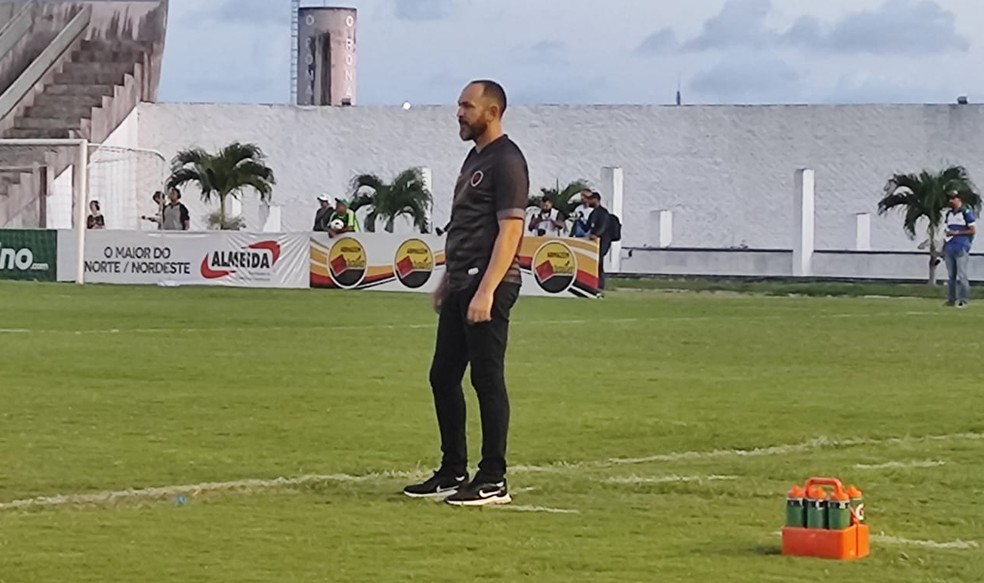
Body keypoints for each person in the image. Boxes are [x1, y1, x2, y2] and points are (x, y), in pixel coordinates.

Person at [402, 79, 528, 507]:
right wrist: (447, 280)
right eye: (459, 105)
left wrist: (486, 290)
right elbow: (467, 228)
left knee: (486, 379)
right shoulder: (475, 159)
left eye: (466, 106)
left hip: (487, 284)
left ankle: (493, 478)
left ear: (491, 112)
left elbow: (511, 232)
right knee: (442, 376)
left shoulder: (507, 161)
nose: (458, 112)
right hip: (462, 281)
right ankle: (453, 470)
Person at [943, 189, 976, 308]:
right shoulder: (949, 214)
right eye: (950, 198)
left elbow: (972, 230)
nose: (951, 201)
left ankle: (963, 300)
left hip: (961, 246)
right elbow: (946, 230)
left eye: (954, 198)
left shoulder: (966, 212)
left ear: (959, 199)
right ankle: (951, 299)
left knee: (962, 275)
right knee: (951, 275)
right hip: (949, 246)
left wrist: (956, 233)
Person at [585, 191, 613, 292]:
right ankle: (593, 283)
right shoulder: (593, 213)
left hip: (603, 241)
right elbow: (588, 226)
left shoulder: (603, 213)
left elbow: (603, 227)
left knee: (599, 262)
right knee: (594, 262)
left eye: (591, 199)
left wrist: (596, 235)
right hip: (594, 241)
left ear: (596, 200)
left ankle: (600, 285)